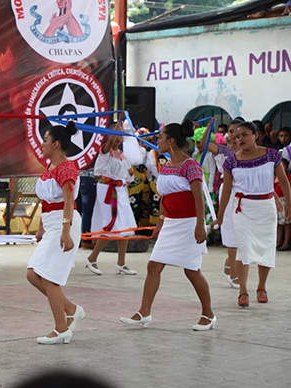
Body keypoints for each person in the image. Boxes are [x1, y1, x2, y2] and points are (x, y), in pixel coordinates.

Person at [120, 120, 215, 331]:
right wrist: (160, 223)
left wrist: (200, 224)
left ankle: (208, 314)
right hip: (170, 223)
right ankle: (144, 312)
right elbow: (165, 197)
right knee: (153, 265)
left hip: (189, 223)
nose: (158, 141)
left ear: (171, 141)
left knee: (192, 271)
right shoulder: (166, 165)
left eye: (161, 137)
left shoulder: (190, 165)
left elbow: (198, 197)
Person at [215, 122, 291, 308]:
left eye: (245, 135)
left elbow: (283, 180)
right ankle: (243, 290)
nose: (240, 139)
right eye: (237, 136)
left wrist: (289, 204)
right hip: (242, 209)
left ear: (256, 135)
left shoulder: (272, 155)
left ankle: (261, 287)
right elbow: (226, 192)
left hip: (266, 208)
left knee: (265, 247)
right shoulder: (231, 161)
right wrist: (220, 215)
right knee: (243, 249)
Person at [27, 121, 83, 345]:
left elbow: (69, 200)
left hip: (64, 223)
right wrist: (41, 227)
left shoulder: (67, 168)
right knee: (33, 274)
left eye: (45, 141)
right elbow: (45, 201)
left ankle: (62, 328)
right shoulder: (49, 168)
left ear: (56, 144)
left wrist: (65, 231)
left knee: (50, 278)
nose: (42, 145)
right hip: (51, 225)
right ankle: (70, 309)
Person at [85, 117, 137, 276]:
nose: (119, 137)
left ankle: (121, 263)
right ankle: (92, 258)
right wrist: (120, 120)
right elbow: (109, 145)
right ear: (108, 135)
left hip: (120, 191)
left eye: (121, 134)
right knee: (111, 226)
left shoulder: (121, 154)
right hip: (107, 190)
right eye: (116, 134)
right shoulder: (105, 151)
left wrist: (130, 175)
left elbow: (127, 177)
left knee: (125, 227)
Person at [198, 119, 242, 288]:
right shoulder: (222, 150)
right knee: (231, 231)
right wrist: (210, 126)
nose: (234, 135)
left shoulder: (248, 151)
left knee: (243, 233)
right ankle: (233, 273)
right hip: (228, 192)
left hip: (246, 191)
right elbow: (203, 145)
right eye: (230, 131)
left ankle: (229, 262)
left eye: (238, 132)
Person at [275, 159, 291, 250]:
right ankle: (278, 242)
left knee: (286, 223)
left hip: (285, 200)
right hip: (278, 201)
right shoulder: (274, 178)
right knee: (279, 223)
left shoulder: (288, 177)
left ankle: (286, 243)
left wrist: (289, 202)